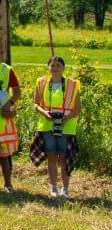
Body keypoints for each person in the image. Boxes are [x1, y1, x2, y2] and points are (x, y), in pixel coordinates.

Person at [32, 56, 81, 198]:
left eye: (58, 65)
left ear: (63, 68)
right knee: (51, 156)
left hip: (66, 126)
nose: (55, 68)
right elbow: (36, 104)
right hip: (47, 125)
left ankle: (65, 189)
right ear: (48, 67)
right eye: (52, 65)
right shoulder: (41, 82)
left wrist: (67, 118)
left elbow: (78, 108)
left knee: (64, 157)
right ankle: (53, 187)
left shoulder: (73, 85)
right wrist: (44, 113)